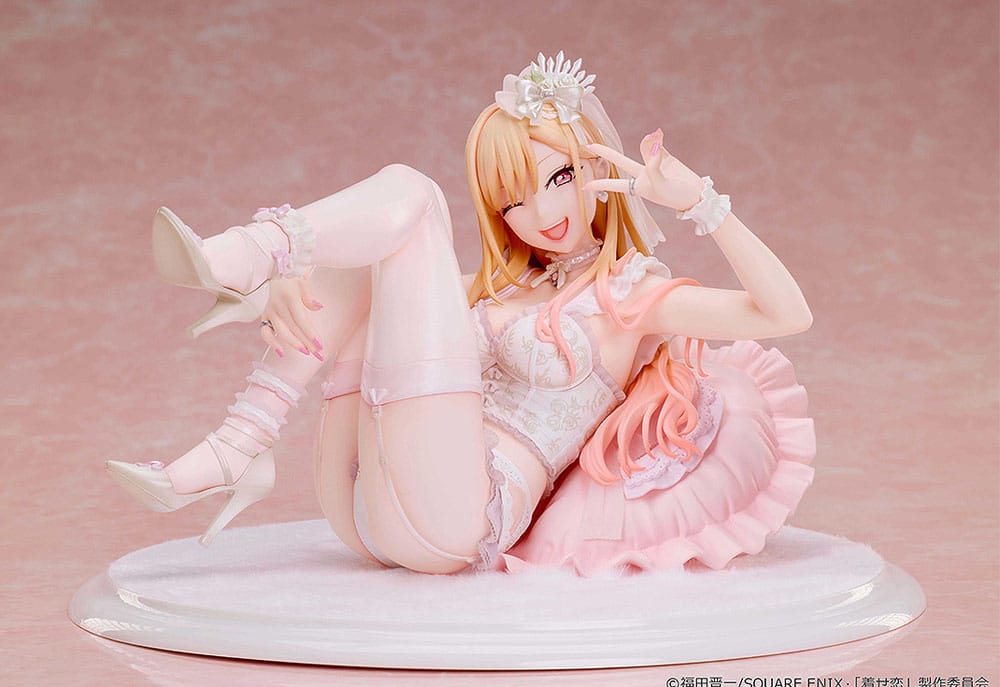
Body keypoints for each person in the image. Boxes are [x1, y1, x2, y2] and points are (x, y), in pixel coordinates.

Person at [107, 53, 814, 576]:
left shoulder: (628, 293)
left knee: (413, 197)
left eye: (559, 178)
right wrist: (296, 285)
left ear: (597, 171)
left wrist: (701, 204)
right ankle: (243, 436)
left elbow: (785, 313)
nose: (542, 212)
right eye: (514, 199)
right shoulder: (496, 286)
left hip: (459, 520)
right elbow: (365, 286)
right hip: (365, 503)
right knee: (375, 249)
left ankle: (245, 255)